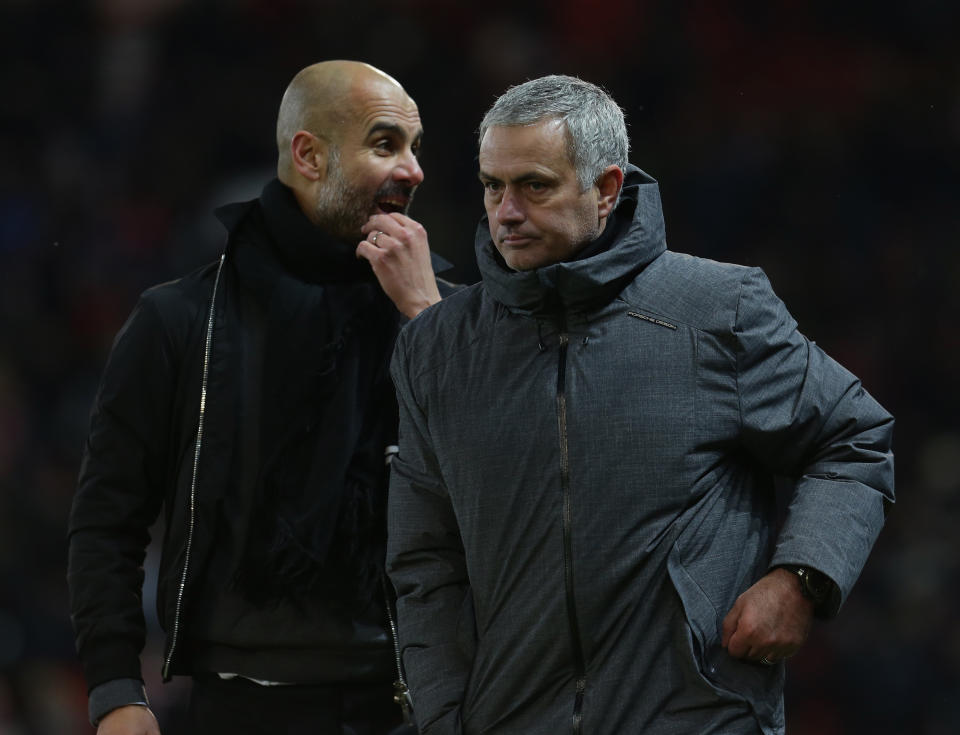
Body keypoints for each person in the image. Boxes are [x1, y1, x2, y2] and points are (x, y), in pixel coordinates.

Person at [385, 75, 895, 734]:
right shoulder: (438, 348)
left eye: (534, 185)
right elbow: (424, 560)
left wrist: (801, 577)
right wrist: (444, 716)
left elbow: (854, 439)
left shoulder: (719, 309)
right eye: (492, 185)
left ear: (605, 187)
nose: (506, 211)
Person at [68, 60, 454, 735]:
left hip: (413, 704)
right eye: (387, 143)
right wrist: (115, 687)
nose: (413, 169)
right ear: (307, 154)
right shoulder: (182, 319)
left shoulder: (449, 319)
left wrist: (429, 321)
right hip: (240, 706)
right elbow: (109, 517)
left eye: (416, 148)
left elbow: (508, 494)